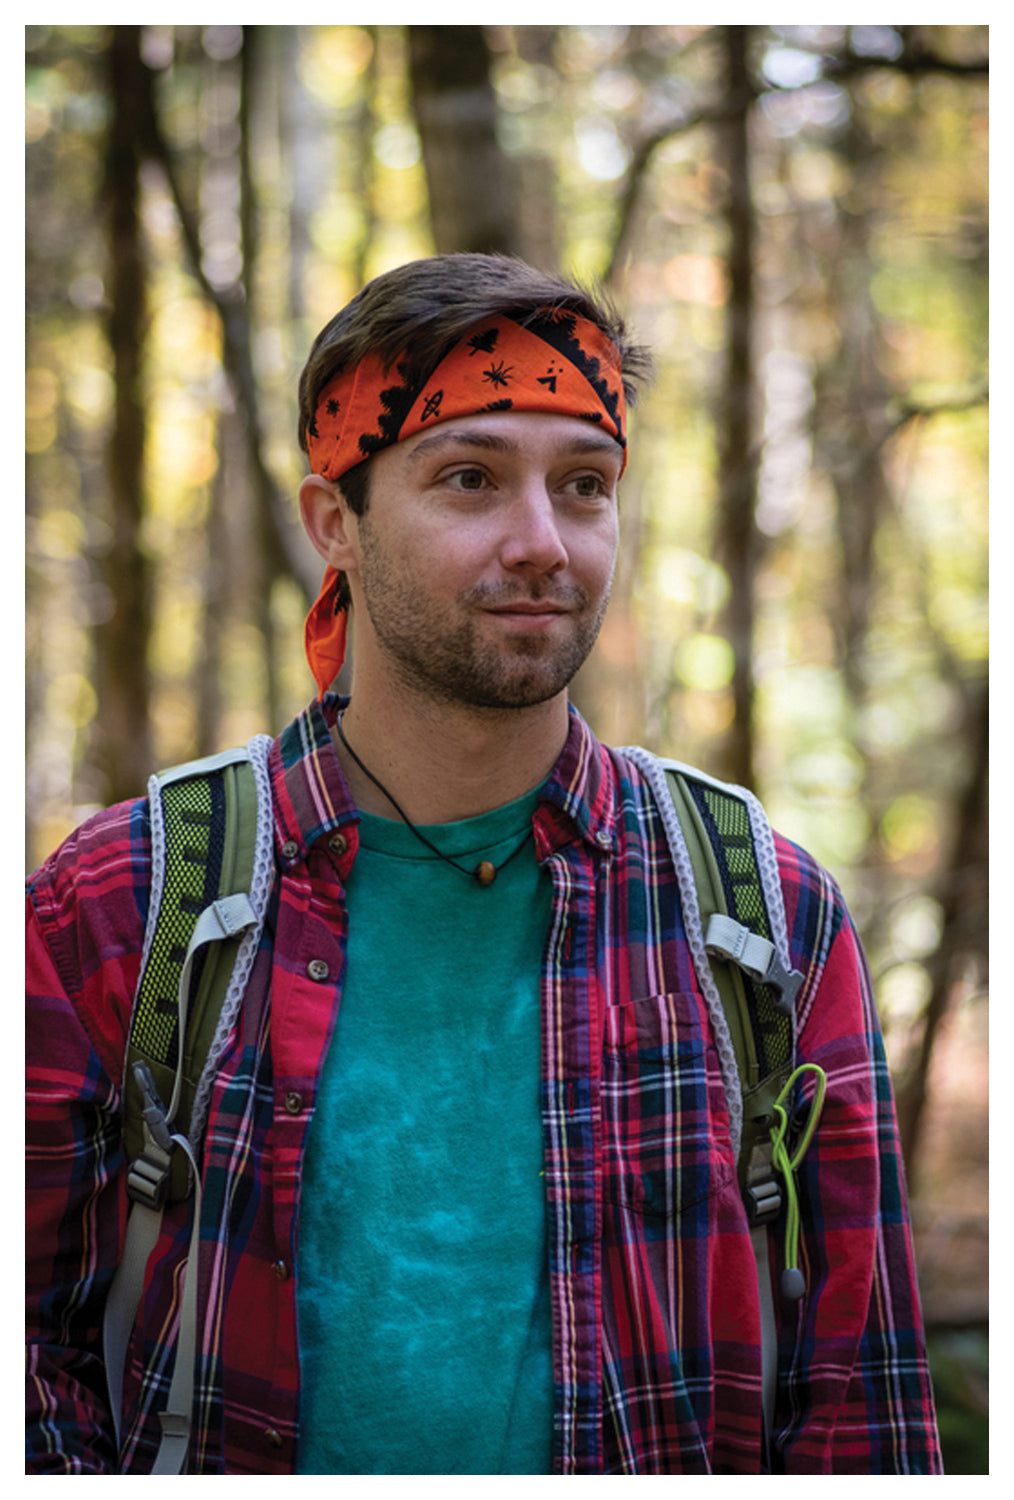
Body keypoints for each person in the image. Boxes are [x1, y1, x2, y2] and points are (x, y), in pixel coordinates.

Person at [26, 253, 942, 1475]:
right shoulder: (130, 901)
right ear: (332, 523)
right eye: (469, 479)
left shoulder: (761, 914)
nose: (542, 543)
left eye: (584, 485)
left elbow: (863, 1407)